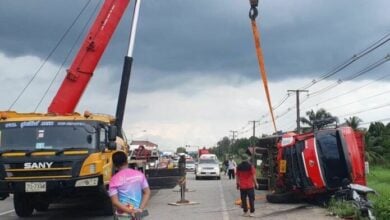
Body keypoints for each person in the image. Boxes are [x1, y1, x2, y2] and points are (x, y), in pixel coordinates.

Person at [109, 151, 151, 219]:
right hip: (138, 214)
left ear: (115, 164)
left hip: (124, 215)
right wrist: (140, 209)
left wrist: (131, 211)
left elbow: (115, 202)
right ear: (126, 161)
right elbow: (147, 192)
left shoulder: (114, 179)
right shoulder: (139, 175)